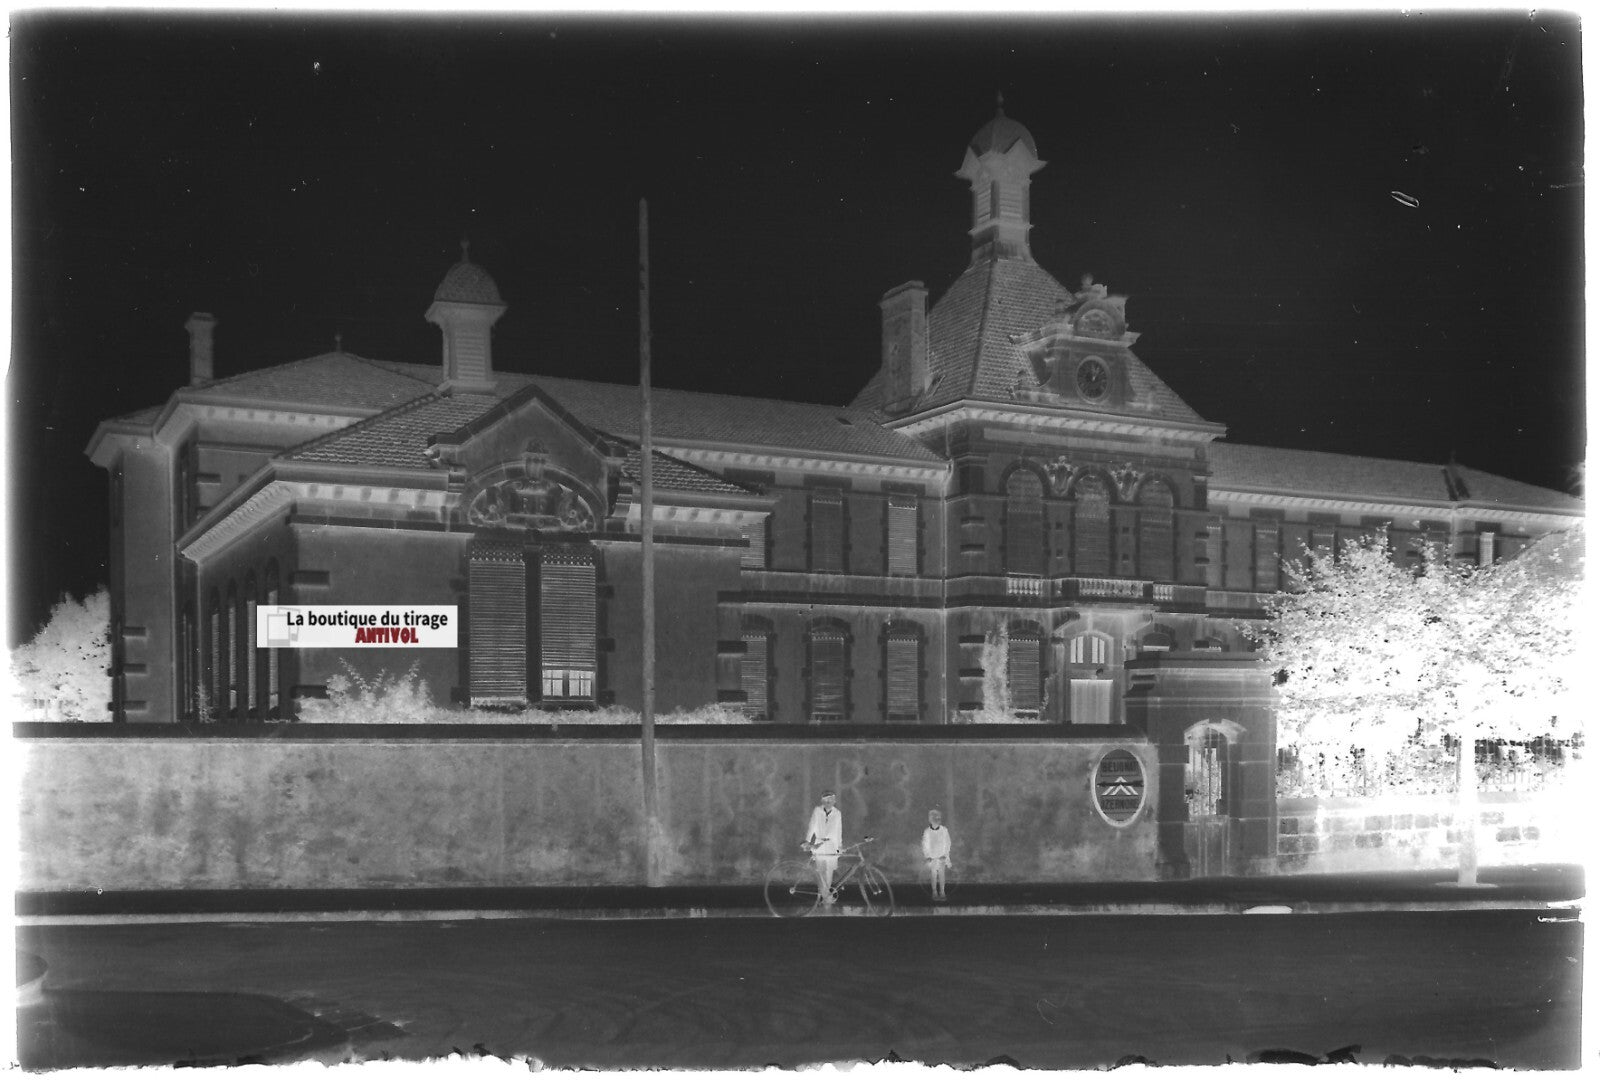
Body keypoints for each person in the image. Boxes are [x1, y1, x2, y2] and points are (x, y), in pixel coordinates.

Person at [804, 789, 842, 904]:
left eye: (830, 800)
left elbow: (838, 831)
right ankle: (825, 897)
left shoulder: (837, 813)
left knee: (829, 872)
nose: (828, 802)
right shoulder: (817, 811)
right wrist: (808, 841)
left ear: (834, 801)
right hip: (819, 845)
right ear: (822, 801)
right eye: (825, 800)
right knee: (821, 872)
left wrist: (839, 846)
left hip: (831, 845)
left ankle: (826, 897)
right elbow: (812, 826)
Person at [922, 808, 952, 902]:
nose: (936, 820)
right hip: (932, 857)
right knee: (934, 875)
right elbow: (925, 844)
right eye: (933, 818)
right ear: (930, 820)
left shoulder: (944, 830)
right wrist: (928, 856)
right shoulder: (927, 831)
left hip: (941, 856)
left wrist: (945, 855)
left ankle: (942, 891)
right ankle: (934, 892)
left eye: (937, 818)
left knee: (941, 875)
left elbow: (947, 843)